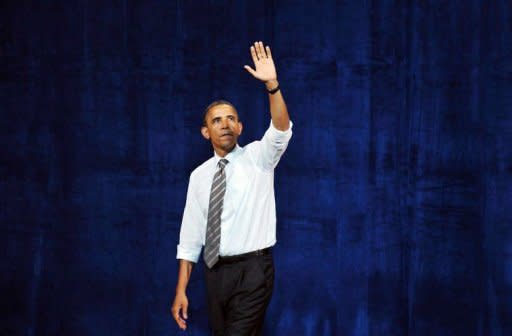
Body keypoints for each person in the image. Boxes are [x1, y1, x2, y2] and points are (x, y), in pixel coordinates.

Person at [171, 41, 292, 335]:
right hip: (215, 273)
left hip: (253, 271)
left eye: (230, 119)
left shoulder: (258, 158)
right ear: (206, 132)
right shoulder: (199, 176)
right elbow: (191, 236)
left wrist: (272, 86)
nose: (224, 124)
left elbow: (281, 129)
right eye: (216, 120)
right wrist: (181, 290)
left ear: (240, 127)